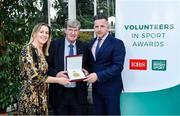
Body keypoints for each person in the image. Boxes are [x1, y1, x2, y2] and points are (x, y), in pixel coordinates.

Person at [17, 23, 71, 115]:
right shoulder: (28, 50)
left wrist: (58, 74)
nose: (44, 35)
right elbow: (35, 77)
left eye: (47, 33)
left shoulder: (42, 51)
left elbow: (45, 72)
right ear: (34, 34)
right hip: (31, 98)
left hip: (42, 97)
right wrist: (58, 80)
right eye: (41, 32)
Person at [83, 14, 126, 115]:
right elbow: (92, 64)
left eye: (102, 26)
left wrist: (98, 76)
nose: (99, 29)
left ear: (108, 27)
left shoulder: (117, 43)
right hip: (96, 88)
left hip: (111, 89)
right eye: (96, 26)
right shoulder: (91, 43)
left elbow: (118, 66)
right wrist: (86, 71)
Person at [46, 19, 88, 115]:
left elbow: (89, 66)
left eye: (76, 30)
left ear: (79, 32)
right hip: (59, 92)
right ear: (65, 30)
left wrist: (87, 72)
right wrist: (56, 74)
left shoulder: (84, 47)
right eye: (70, 29)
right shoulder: (54, 45)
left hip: (78, 93)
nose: (73, 33)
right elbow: (47, 66)